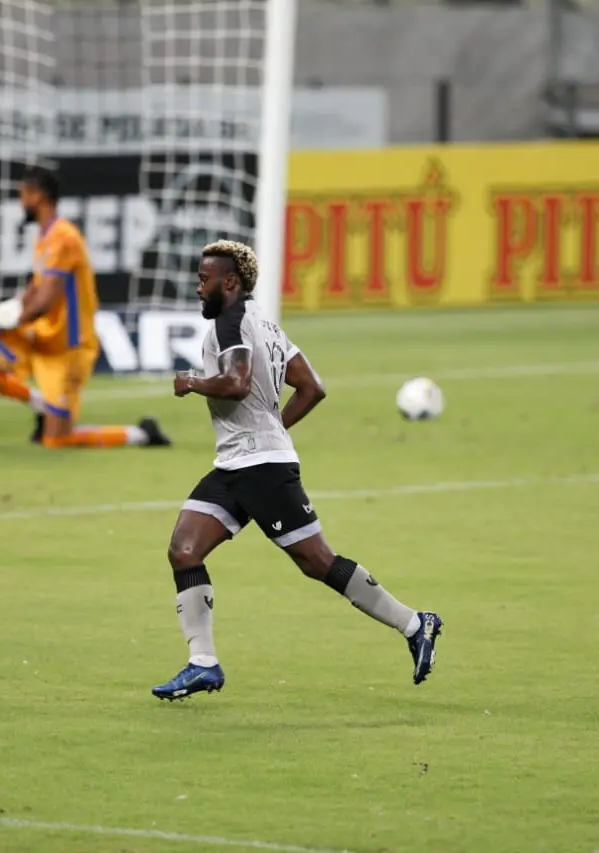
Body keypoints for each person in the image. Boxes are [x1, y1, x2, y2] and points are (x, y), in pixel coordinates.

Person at [150, 240, 442, 701]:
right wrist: (274, 429)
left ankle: (414, 623)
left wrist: (192, 382)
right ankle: (203, 663)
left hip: (261, 469)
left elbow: (236, 382)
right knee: (184, 549)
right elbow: (312, 387)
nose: (198, 286)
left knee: (318, 562)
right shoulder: (264, 323)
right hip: (237, 464)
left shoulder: (231, 322)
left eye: (205, 279)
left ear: (230, 283)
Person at [0, 166, 170, 449]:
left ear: (38, 196)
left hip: (66, 347)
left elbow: (45, 301)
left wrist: (12, 320)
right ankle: (41, 406)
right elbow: (38, 288)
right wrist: (13, 305)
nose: (21, 201)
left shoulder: (64, 238)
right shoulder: (45, 236)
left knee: (57, 440)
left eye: (24, 195)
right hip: (39, 334)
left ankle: (141, 434)